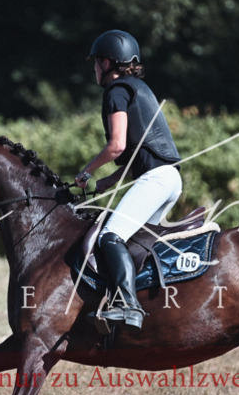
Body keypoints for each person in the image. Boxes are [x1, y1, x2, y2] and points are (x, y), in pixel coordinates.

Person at [75, 29, 182, 330]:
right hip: (169, 179)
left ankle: (128, 306)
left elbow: (118, 145)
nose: (94, 68)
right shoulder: (140, 88)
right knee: (139, 245)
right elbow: (140, 153)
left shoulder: (116, 91)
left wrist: (87, 170)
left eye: (96, 62)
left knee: (110, 236)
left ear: (107, 63)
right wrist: (111, 180)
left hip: (155, 180)